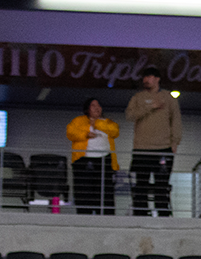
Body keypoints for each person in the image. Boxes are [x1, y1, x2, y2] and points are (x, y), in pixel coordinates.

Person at [125, 66, 181, 217]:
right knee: (141, 184)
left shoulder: (169, 98)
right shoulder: (138, 98)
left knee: (161, 185)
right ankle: (141, 214)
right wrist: (151, 106)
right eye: (144, 77)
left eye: (149, 77)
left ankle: (163, 215)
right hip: (142, 148)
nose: (146, 80)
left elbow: (175, 120)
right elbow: (130, 116)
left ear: (157, 79)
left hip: (163, 148)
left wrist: (175, 142)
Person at [64, 98, 119, 216]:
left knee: (104, 191)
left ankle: (106, 217)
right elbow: (70, 133)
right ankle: (85, 215)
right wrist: (85, 134)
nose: (97, 108)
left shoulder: (107, 122)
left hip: (105, 159)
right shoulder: (79, 121)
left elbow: (115, 132)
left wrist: (98, 124)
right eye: (93, 105)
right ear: (87, 109)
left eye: (99, 105)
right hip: (83, 160)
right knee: (84, 191)